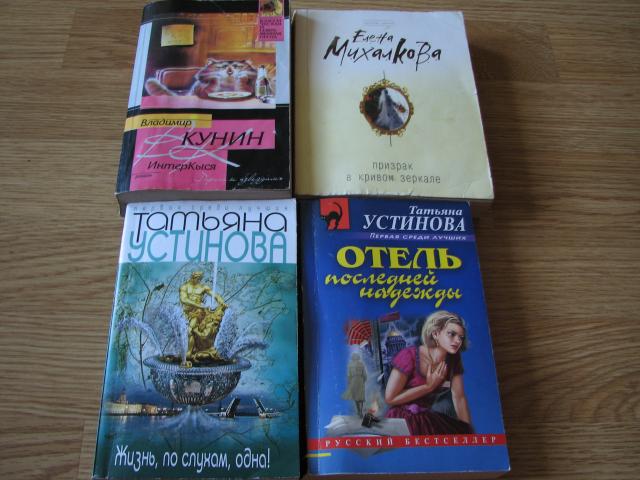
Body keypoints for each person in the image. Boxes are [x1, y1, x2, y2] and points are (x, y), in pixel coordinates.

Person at [384, 311, 473, 434]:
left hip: (427, 419)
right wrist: (428, 386)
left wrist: (468, 431)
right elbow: (390, 398)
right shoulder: (409, 356)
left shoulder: (453, 359)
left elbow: (459, 397)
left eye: (461, 337)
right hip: (402, 420)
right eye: (452, 334)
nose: (458, 340)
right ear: (435, 334)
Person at [342, 353, 367, 417]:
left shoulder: (351, 364)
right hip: (359, 380)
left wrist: (349, 382)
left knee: (358, 397)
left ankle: (359, 411)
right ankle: (360, 411)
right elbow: (364, 374)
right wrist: (364, 379)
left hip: (355, 380)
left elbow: (349, 375)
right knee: (360, 397)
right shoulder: (360, 364)